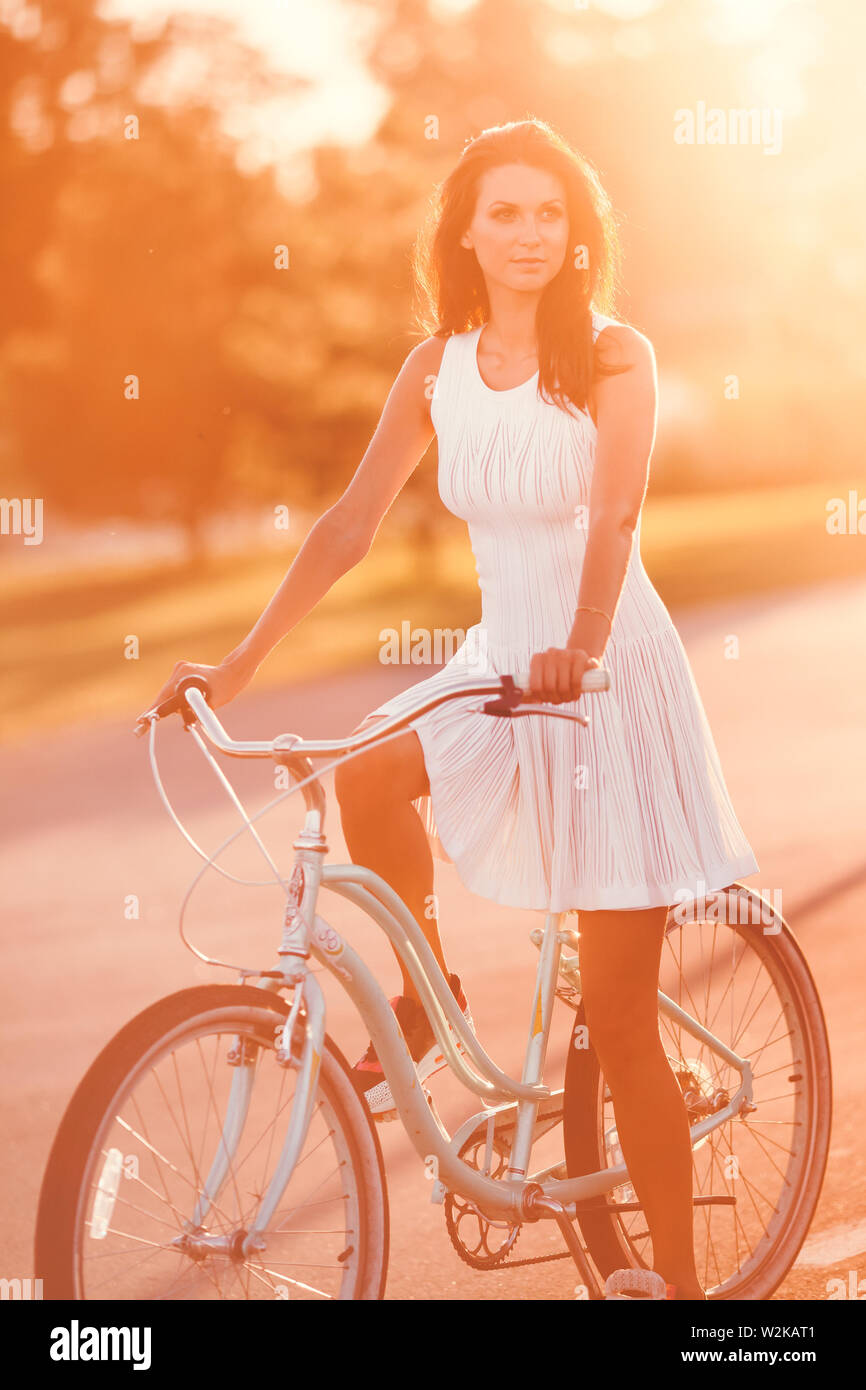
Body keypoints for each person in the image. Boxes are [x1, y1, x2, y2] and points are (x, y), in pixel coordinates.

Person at [138, 118, 758, 1301]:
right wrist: (235, 665)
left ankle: (683, 1303)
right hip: (492, 657)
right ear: (463, 234)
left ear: (576, 235)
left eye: (548, 213)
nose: (528, 235)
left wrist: (575, 649)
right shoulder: (435, 369)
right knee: (364, 771)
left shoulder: (614, 356)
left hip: (603, 668)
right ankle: (429, 1006)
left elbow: (616, 520)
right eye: (503, 213)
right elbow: (347, 526)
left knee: (622, 1019)